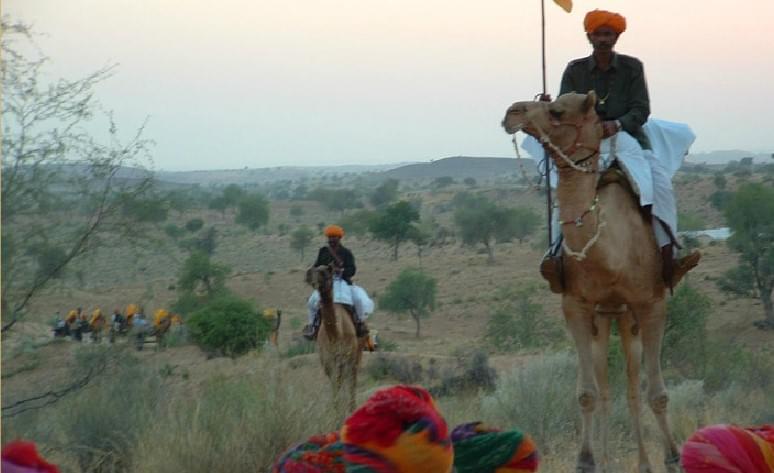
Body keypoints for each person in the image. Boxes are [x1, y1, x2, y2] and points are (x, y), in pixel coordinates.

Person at [536, 9, 700, 293]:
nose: (603, 39)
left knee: (658, 187)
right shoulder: (574, 70)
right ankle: (556, 258)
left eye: (608, 34)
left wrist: (617, 124)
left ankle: (671, 258)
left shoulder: (632, 67)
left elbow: (641, 109)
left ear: (616, 36)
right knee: (563, 193)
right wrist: (551, 107)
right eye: (598, 34)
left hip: (629, 137)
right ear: (589, 36)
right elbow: (565, 111)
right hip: (585, 143)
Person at [302, 225, 374, 340]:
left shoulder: (346, 252)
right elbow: (315, 266)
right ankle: (312, 327)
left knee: (359, 300)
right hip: (326, 283)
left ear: (339, 238)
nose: (331, 240)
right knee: (311, 302)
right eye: (330, 237)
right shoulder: (323, 251)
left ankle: (360, 324)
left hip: (342, 282)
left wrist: (341, 271)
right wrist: (320, 270)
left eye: (334, 237)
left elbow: (352, 270)